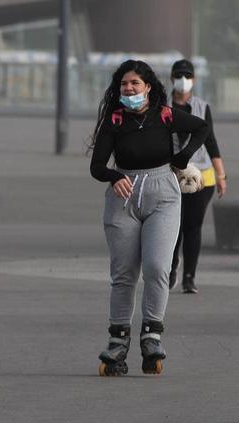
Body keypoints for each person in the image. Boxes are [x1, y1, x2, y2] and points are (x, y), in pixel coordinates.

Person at [88, 59, 208, 376]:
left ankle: (152, 335)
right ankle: (118, 341)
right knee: (124, 273)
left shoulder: (165, 115)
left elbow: (201, 128)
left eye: (135, 84)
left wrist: (183, 157)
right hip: (123, 198)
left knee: (157, 267)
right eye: (124, 84)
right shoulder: (113, 121)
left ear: (148, 87)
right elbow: (97, 166)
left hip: (164, 195)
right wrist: (114, 176)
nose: (128, 89)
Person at [168, 58, 227, 294]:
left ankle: (189, 277)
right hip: (171, 174)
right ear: (171, 78)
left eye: (188, 76)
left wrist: (221, 175)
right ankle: (171, 267)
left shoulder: (203, 107)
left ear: (194, 79)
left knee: (193, 226)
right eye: (179, 75)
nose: (183, 80)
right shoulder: (160, 106)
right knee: (172, 226)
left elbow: (211, 141)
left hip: (201, 177)